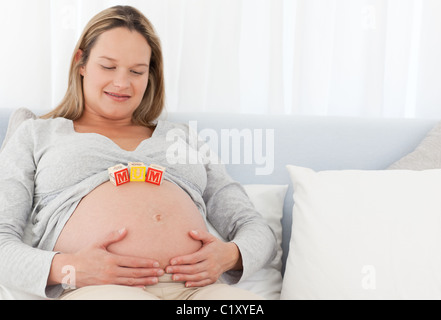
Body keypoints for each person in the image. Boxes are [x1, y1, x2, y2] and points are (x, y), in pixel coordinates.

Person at [0, 5, 276, 300]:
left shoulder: (182, 137)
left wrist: (230, 256)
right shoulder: (35, 134)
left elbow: (254, 226)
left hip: (199, 290)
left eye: (136, 71)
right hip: (101, 288)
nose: (122, 83)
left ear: (150, 75)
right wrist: (70, 268)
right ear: (81, 62)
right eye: (108, 66)